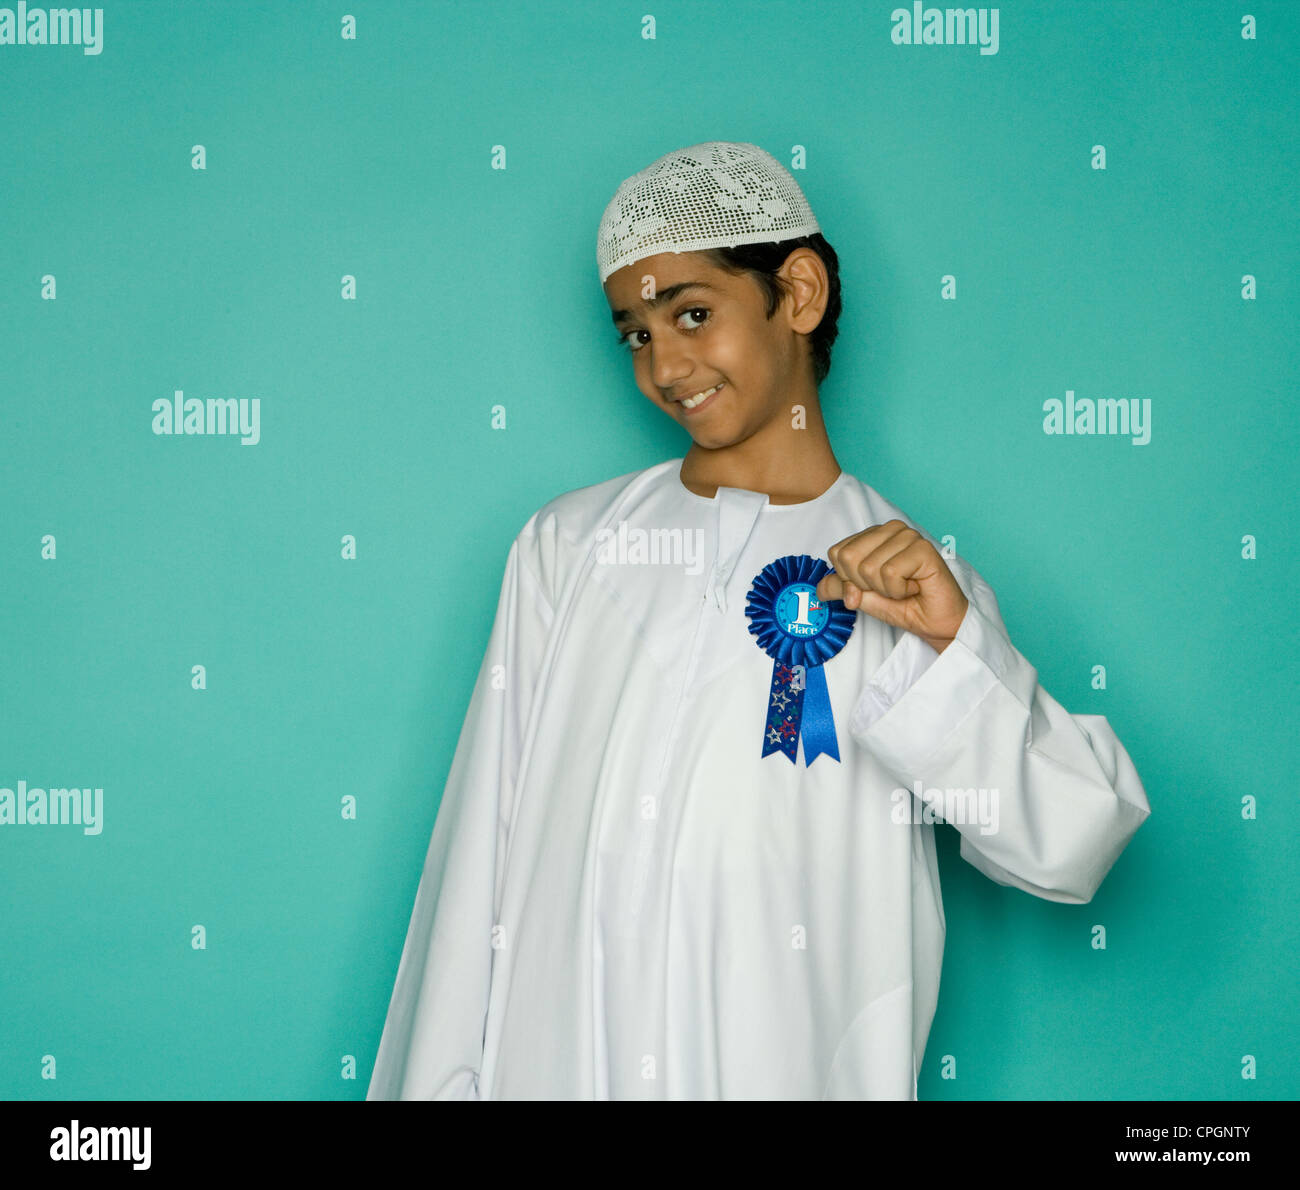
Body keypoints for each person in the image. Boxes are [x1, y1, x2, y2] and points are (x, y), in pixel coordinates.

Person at [366, 141, 1151, 1101]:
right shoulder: (568, 548)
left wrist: (955, 650)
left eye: (693, 314)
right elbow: (476, 858)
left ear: (801, 292)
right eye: (635, 334)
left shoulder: (909, 584)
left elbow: (1072, 843)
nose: (664, 364)